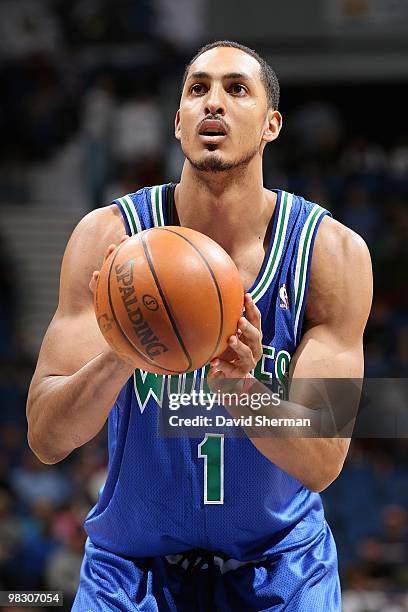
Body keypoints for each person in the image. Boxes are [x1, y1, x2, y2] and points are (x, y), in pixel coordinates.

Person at [26, 41, 372, 611]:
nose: (214, 102)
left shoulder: (331, 255)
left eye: (237, 89)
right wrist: (120, 352)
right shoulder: (107, 239)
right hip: (132, 568)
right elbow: (45, 437)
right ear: (177, 122)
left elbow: (322, 460)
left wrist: (241, 390)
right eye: (197, 89)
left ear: (271, 124)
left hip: (279, 565)